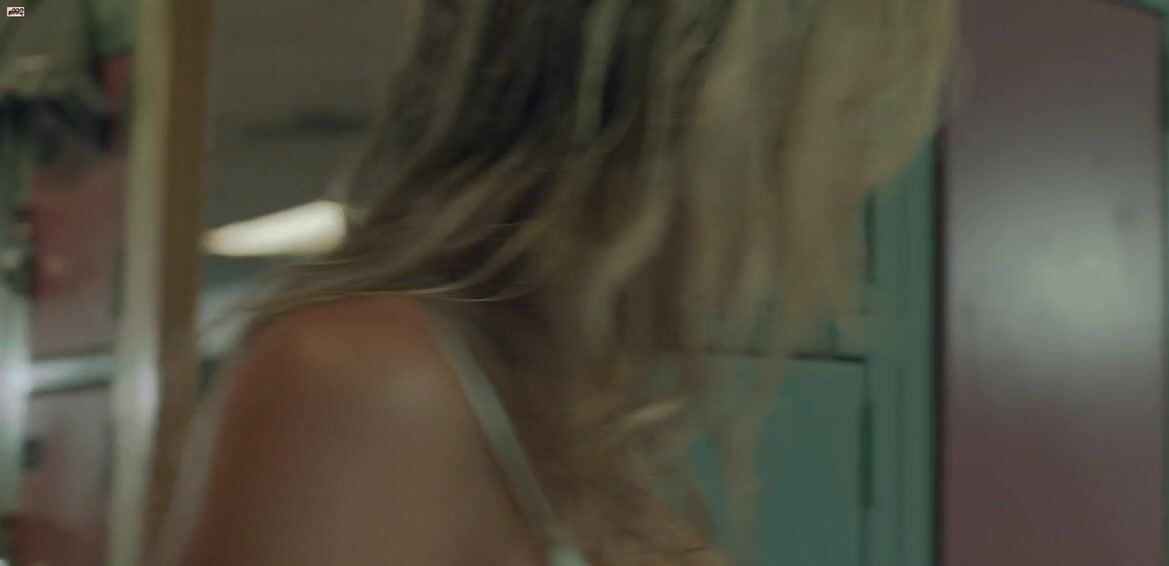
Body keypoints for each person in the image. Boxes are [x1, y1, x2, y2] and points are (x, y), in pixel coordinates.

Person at [157, 1, 958, 565]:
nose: (848, 172)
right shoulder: (370, 383)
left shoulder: (575, 409)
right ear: (691, 98)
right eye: (833, 106)